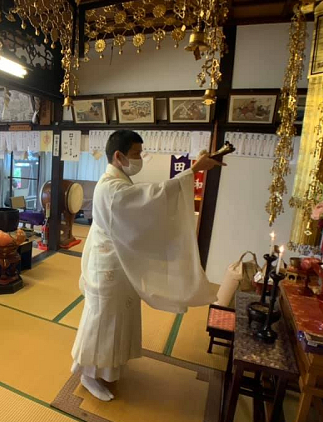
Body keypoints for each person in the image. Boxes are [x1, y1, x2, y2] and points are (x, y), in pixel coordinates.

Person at [71, 130, 223, 402]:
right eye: (136, 154)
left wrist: (193, 171)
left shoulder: (118, 181)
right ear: (118, 156)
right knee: (103, 322)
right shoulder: (111, 187)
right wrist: (192, 171)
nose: (140, 159)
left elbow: (145, 199)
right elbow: (150, 198)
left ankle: (109, 368)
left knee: (116, 318)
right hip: (108, 267)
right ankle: (89, 374)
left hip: (116, 264)